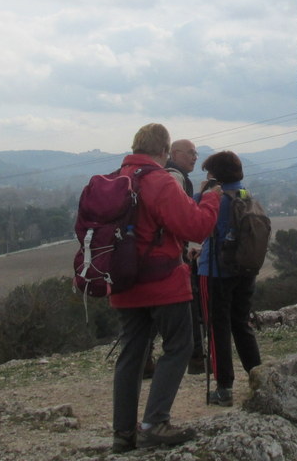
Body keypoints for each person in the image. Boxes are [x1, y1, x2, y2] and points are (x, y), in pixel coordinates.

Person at [109, 124, 220, 452]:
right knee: (179, 346)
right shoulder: (158, 180)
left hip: (123, 280)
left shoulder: (115, 178)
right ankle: (155, 422)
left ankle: (122, 434)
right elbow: (195, 225)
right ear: (164, 151)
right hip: (161, 280)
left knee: (132, 352)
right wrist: (211, 200)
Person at [197, 151, 262, 407]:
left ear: (215, 176)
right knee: (241, 324)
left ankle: (224, 388)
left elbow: (195, 217)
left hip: (214, 271)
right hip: (244, 271)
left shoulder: (217, 198)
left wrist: (203, 193)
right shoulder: (245, 194)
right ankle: (259, 378)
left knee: (216, 329)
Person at [164, 139, 207, 375]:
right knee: (190, 304)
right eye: (190, 153)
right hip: (173, 256)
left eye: (196, 153)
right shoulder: (175, 178)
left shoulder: (170, 175)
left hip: (167, 252)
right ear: (174, 153)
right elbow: (179, 216)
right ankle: (196, 358)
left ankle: (147, 360)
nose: (195, 157)